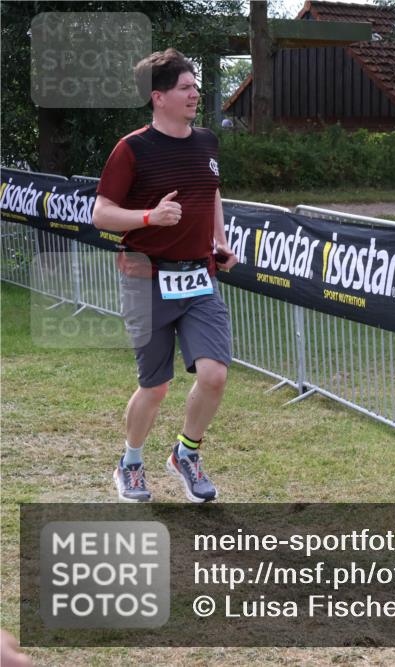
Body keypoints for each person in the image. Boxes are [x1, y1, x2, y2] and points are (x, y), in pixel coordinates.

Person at [93, 49, 238, 502]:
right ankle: (130, 462)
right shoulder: (132, 148)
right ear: (158, 97)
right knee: (155, 386)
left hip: (199, 277)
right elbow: (101, 213)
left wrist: (221, 239)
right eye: (185, 88)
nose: (196, 93)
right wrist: (151, 218)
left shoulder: (207, 141)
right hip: (144, 276)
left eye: (196, 86)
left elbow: (211, 193)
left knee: (214, 374)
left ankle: (186, 453)